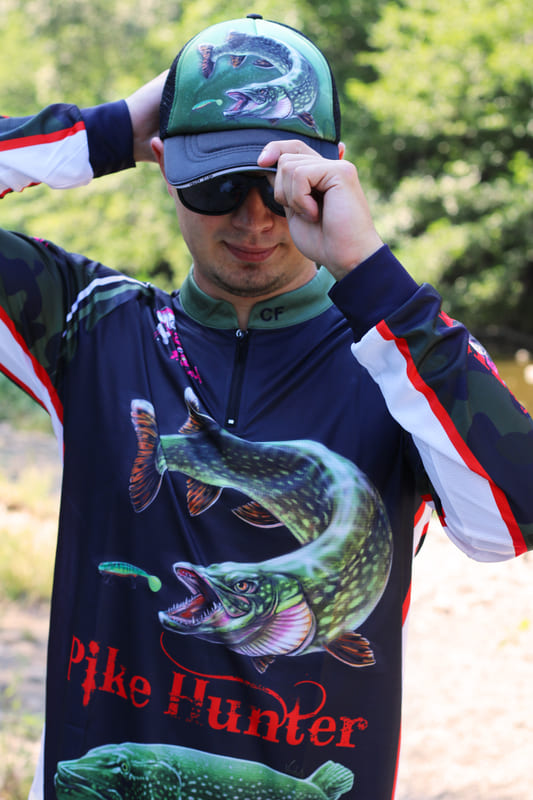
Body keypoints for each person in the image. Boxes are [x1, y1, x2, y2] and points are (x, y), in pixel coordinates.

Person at [1, 14, 531, 800]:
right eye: (216, 185)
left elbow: (509, 523)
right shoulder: (89, 320)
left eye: (281, 187)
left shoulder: (400, 354)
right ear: (163, 163)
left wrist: (368, 272)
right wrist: (104, 131)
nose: (252, 219)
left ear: (334, 176)